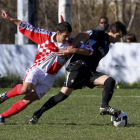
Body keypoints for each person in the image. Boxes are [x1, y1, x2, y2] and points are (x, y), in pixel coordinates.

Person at [0, 10, 94, 125]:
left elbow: (90, 51)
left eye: (69, 36)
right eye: (65, 36)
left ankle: (1, 117)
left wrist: (74, 50)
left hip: (49, 78)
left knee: (28, 99)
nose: (67, 38)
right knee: (25, 89)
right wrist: (11, 19)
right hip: (37, 70)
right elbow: (27, 27)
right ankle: (5, 95)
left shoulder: (71, 43)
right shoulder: (44, 35)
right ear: (58, 32)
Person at [29, 21, 127, 125]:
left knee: (110, 81)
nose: (118, 39)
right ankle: (38, 113)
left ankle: (104, 106)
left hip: (90, 72)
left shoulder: (107, 45)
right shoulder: (100, 34)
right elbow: (81, 35)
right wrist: (71, 48)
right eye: (118, 36)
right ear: (111, 31)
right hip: (78, 67)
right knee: (61, 96)